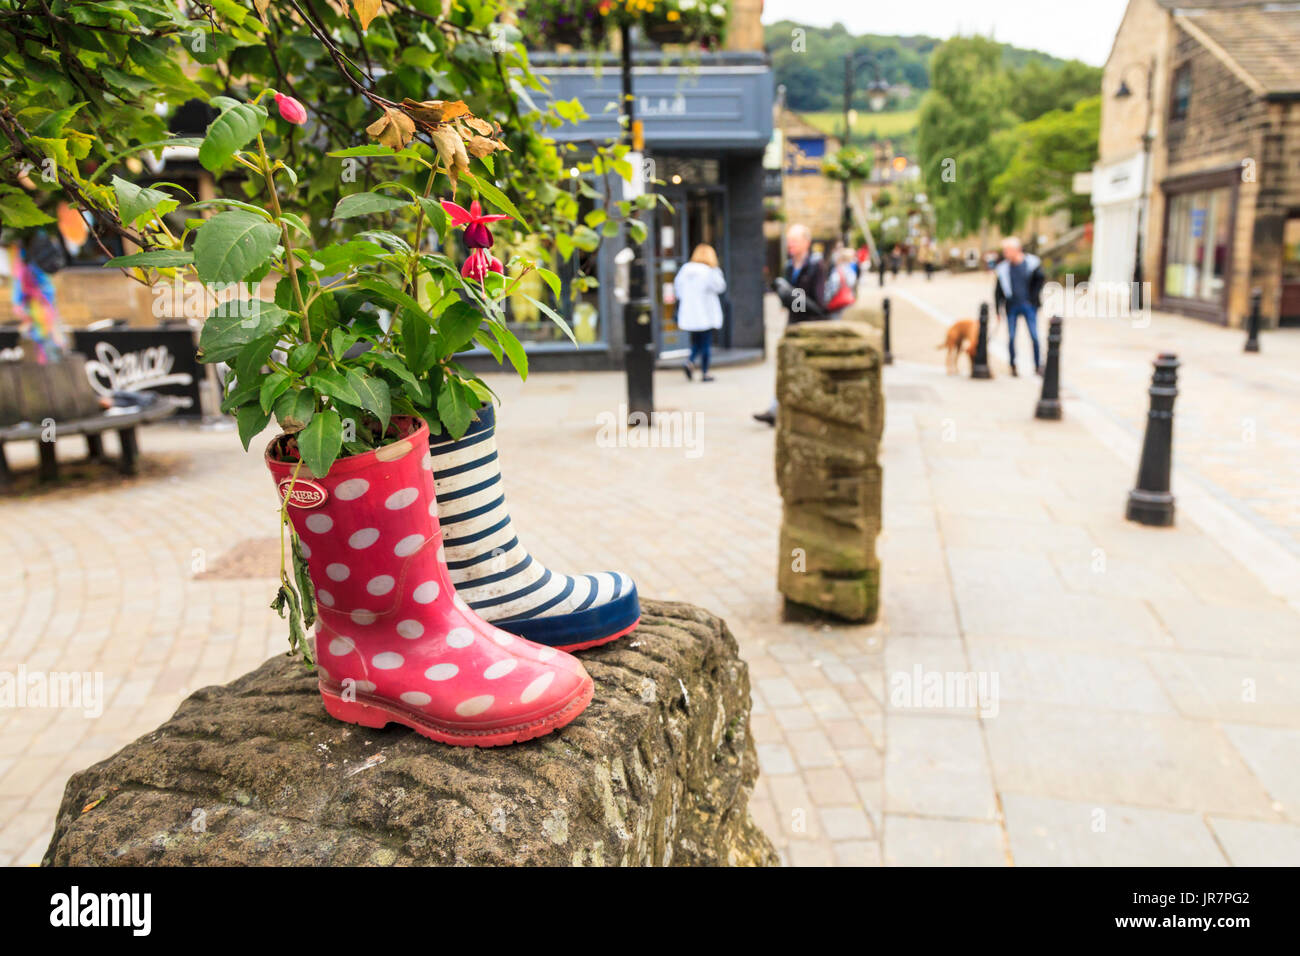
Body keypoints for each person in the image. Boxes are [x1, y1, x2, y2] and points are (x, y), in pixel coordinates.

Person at [754, 224, 826, 424]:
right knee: (785, 365)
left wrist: (790, 295)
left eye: (795, 241)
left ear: (807, 242)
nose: (790, 244)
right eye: (789, 240)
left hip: (811, 326)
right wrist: (786, 298)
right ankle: (775, 410)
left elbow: (819, 303)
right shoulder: (788, 266)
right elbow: (793, 300)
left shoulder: (816, 265)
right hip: (793, 324)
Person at [673, 243, 726, 382]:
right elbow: (720, 287)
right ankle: (705, 372)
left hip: (690, 313)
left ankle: (689, 362)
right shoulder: (710, 271)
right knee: (706, 343)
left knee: (697, 341)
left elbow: (678, 289)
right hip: (706, 313)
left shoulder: (685, 269)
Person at [993, 236, 1046, 376]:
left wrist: (1033, 300)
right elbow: (998, 291)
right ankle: (1013, 365)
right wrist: (998, 309)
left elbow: (1040, 281)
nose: (1005, 253)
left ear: (1017, 250)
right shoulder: (1003, 269)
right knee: (1011, 337)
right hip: (1012, 306)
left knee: (1034, 336)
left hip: (1029, 306)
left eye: (1007, 250)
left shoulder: (1032, 264)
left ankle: (1038, 365)